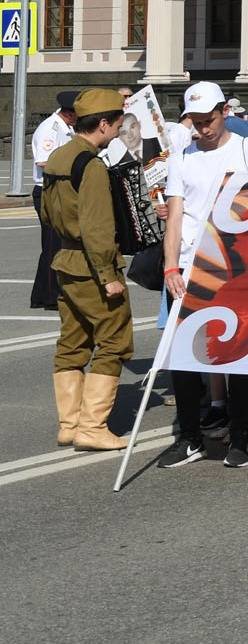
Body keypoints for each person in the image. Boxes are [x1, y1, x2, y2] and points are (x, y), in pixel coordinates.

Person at [152, 81, 248, 469]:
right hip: (189, 265)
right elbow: (175, 215)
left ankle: (239, 435)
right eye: (197, 122)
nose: (204, 128)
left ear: (224, 112)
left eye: (210, 120)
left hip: (234, 266)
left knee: (235, 354)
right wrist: (171, 266)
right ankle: (190, 437)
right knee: (184, 357)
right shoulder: (182, 156)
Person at [40, 89, 134, 453]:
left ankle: (70, 425)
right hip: (93, 267)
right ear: (105, 123)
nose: (119, 130)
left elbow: (46, 214)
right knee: (114, 342)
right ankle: (93, 427)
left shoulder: (59, 157)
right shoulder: (91, 165)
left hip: (66, 260)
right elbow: (97, 228)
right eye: (118, 123)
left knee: (72, 343)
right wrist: (109, 276)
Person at [28, 91, 79, 313]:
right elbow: (43, 160)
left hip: (55, 189)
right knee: (53, 245)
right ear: (70, 114)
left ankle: (40, 295)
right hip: (48, 190)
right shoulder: (52, 128)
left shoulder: (65, 128)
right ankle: (51, 297)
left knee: (52, 244)